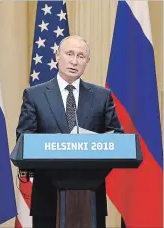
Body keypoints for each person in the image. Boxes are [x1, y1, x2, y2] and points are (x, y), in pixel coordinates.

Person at [15, 35, 123, 228]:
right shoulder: (35, 95)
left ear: (87, 62)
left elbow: (117, 139)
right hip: (47, 198)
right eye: (69, 54)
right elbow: (24, 138)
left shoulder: (102, 97)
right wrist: (53, 145)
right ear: (57, 56)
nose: (74, 61)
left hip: (91, 197)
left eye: (81, 56)